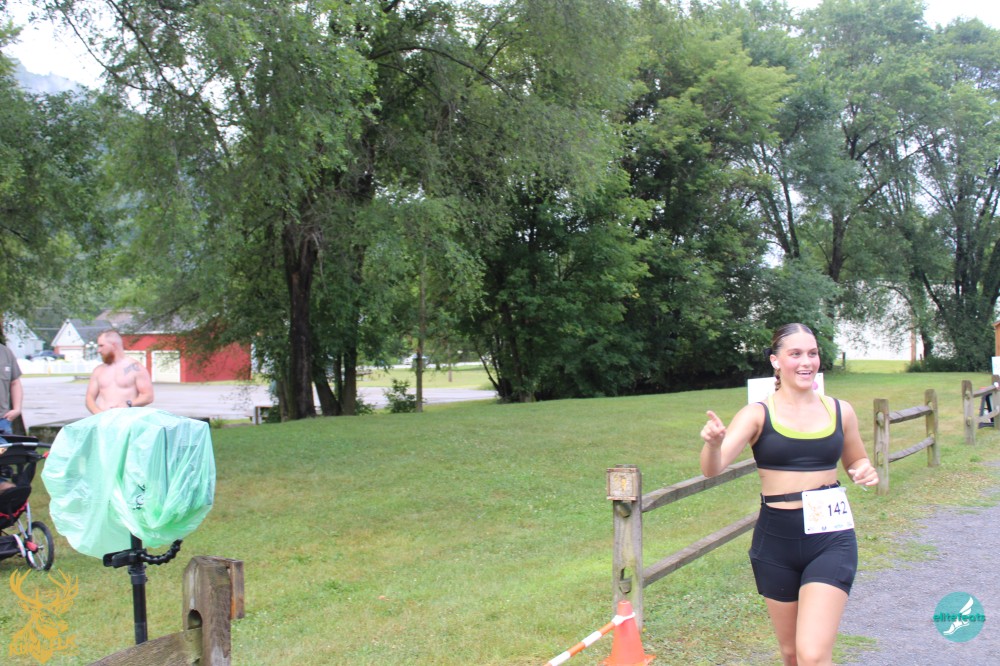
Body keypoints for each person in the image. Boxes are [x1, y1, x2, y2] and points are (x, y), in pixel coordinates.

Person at [699, 323, 878, 666]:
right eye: (795, 354)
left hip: (830, 539)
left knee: (812, 654)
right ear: (775, 361)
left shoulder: (840, 411)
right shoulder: (757, 414)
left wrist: (865, 469)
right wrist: (713, 444)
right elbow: (713, 468)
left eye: (812, 353)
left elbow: (856, 459)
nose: (806, 362)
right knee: (792, 653)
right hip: (776, 541)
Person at [86, 329, 154, 414]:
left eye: (101, 346)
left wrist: (128, 404)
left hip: (126, 418)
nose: (98, 350)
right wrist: (98, 413)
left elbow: (148, 396)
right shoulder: (98, 370)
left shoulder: (136, 368)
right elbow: (89, 398)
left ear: (113, 345)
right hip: (103, 419)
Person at [1, 341, 24, 492]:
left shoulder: (5, 353)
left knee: (3, 461)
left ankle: (7, 497)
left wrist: (17, 409)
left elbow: (15, 382)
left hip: (3, 422)